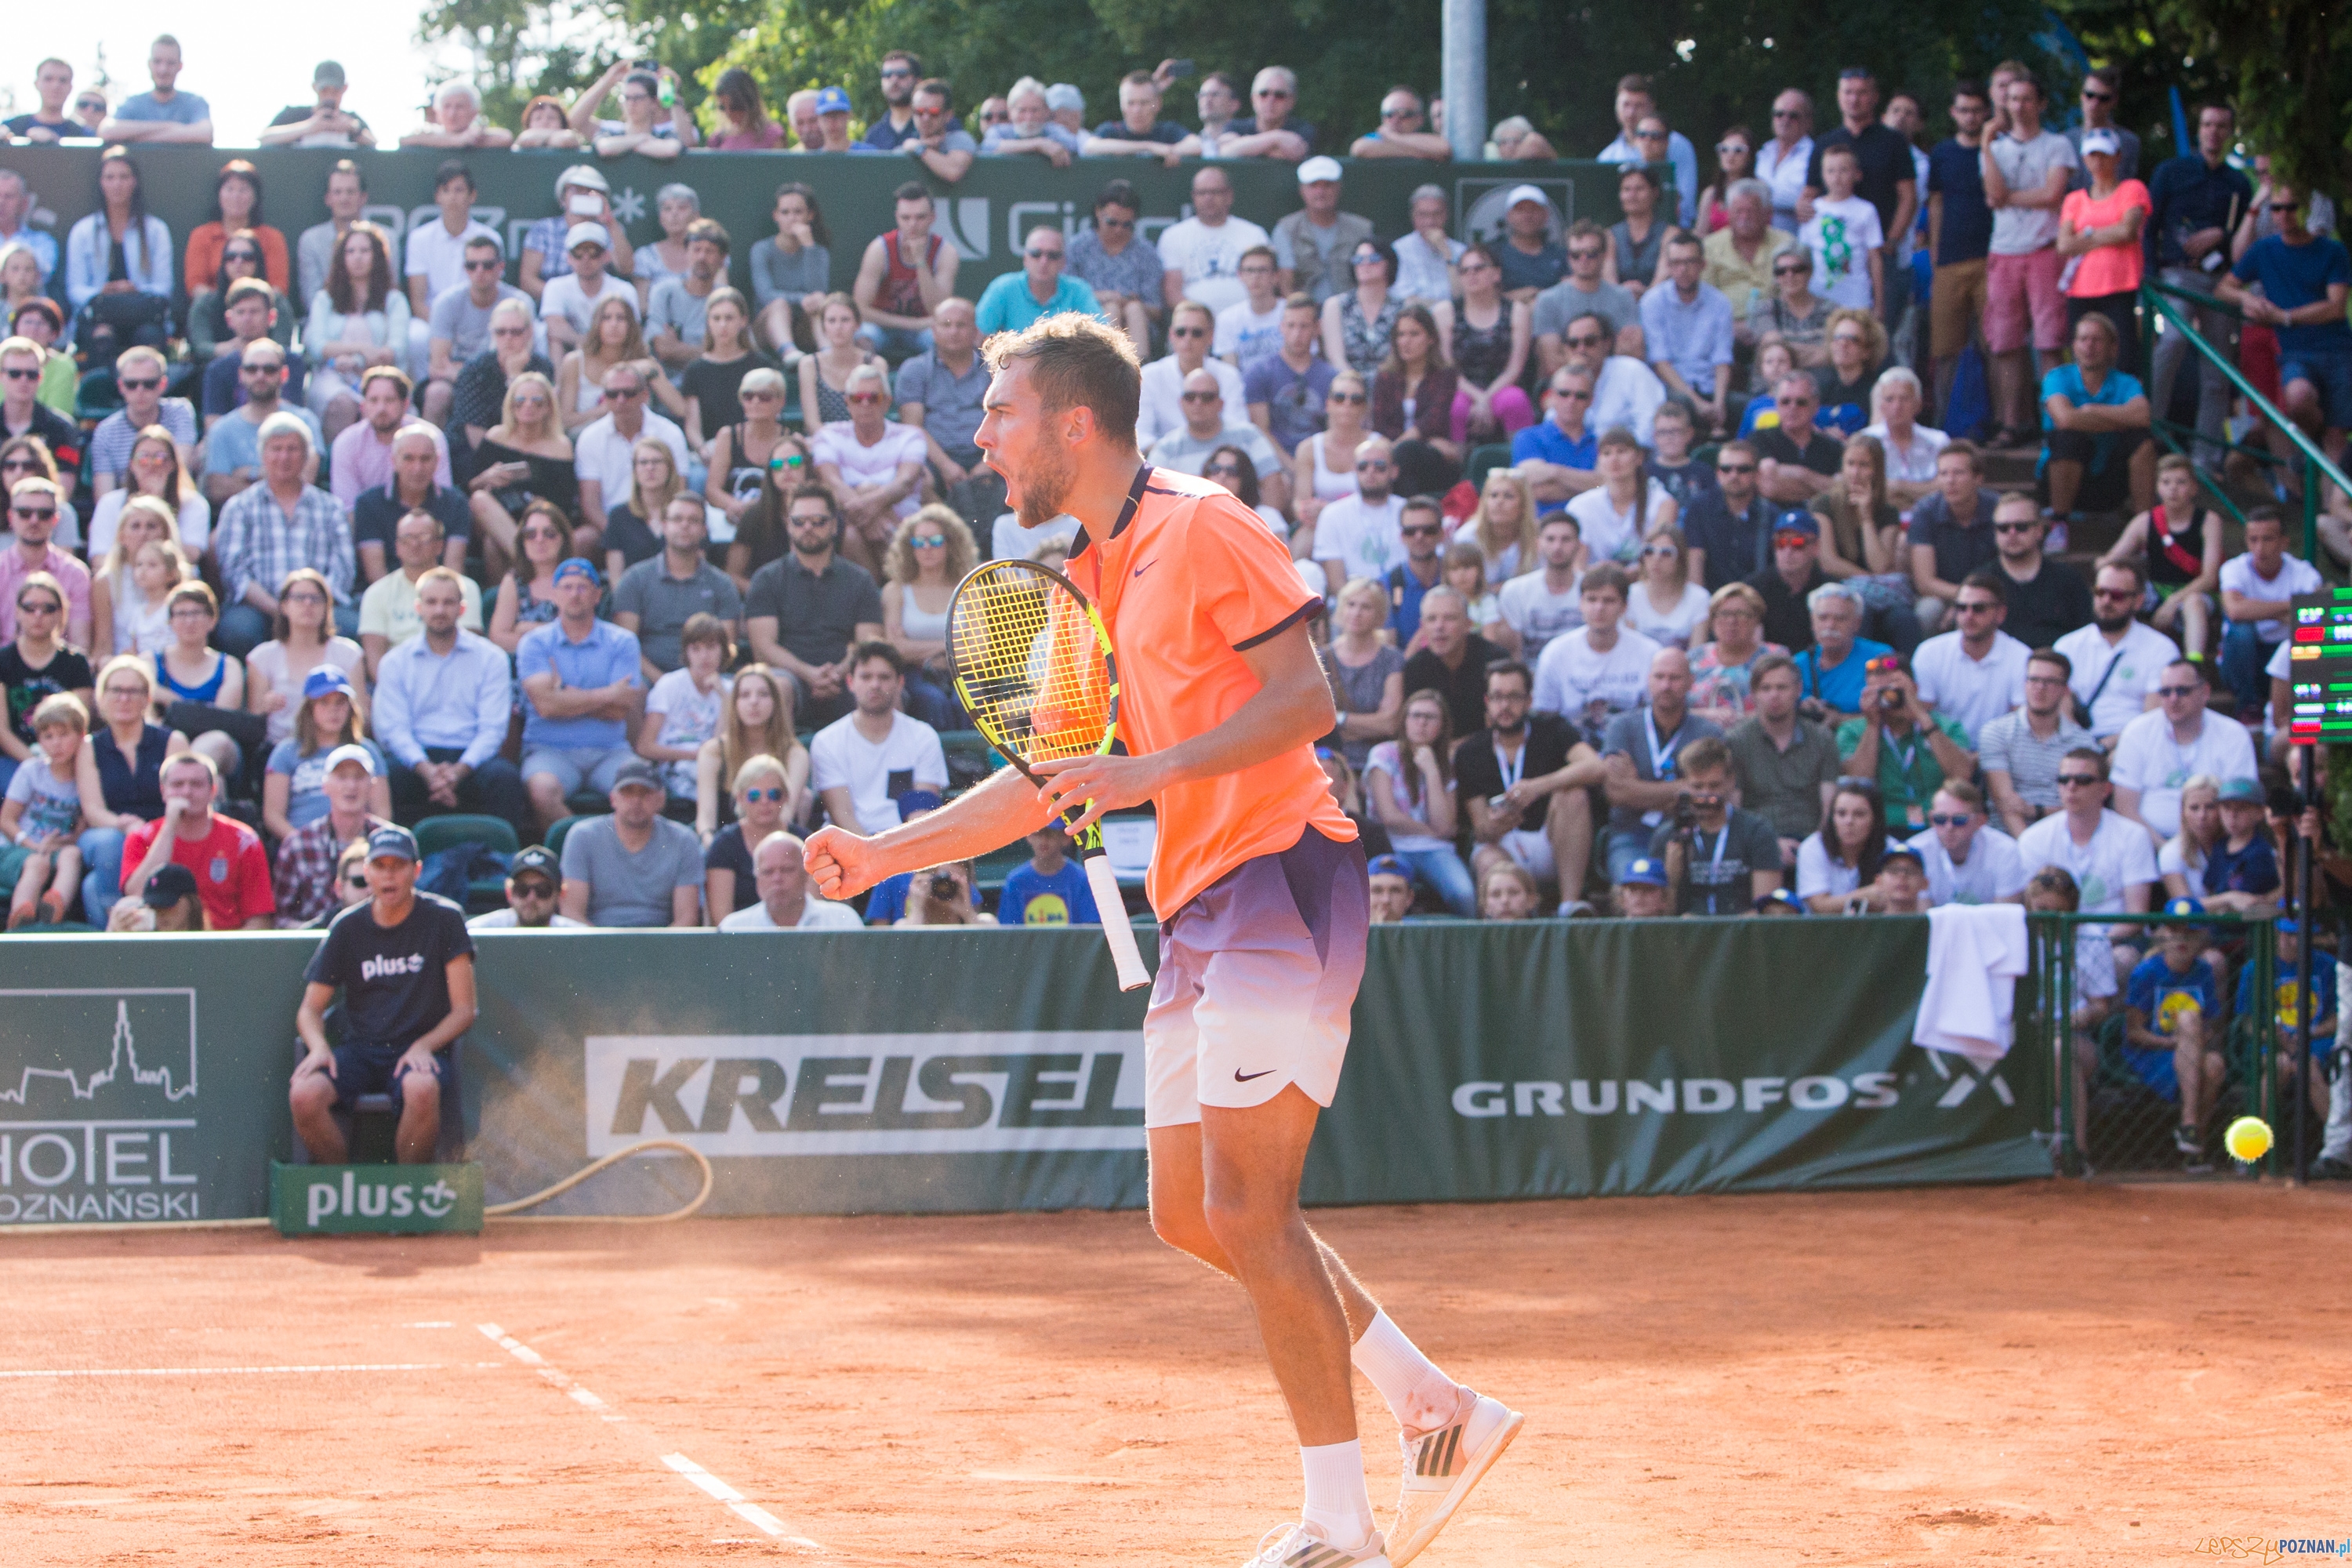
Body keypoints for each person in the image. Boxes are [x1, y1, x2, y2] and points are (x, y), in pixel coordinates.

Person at [808, 313, 1519, 1568]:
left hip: (1280, 876)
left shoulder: (1207, 524)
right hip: (1198, 900)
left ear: (1073, 426)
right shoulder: (1082, 578)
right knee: (1192, 1213)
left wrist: (1149, 772)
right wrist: (882, 855)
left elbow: (1310, 702)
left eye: (998, 412)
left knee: (1251, 1204)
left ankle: (1338, 1524)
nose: (978, 436)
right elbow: (1045, 780)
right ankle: (1434, 1405)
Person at [290, 822, 473, 1164]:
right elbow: (310, 1009)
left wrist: (424, 1046)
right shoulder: (346, 927)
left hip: (417, 1049)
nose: (388, 877)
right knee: (303, 1095)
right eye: (379, 866)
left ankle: (406, 1194)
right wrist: (317, 1048)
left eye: (398, 866)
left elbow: (464, 1010)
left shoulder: (445, 919)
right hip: (359, 1051)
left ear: (416, 871)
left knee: (421, 1088)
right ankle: (345, 1186)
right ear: (367, 872)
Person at [2220, 180, 2351, 517]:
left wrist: (2286, 316)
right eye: (2276, 209)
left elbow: (2337, 306)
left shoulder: (2332, 250)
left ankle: (2327, 518)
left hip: (2337, 350)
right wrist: (2248, 297)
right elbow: (2225, 287)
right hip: (2295, 354)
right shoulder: (2264, 250)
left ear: (2305, 210)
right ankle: (2309, 445)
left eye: (2291, 208)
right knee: (2296, 399)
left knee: (2336, 436)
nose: (2283, 215)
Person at [2146, 105, 2252, 470]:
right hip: (2178, 274)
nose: (2213, 132)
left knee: (2217, 371)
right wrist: (2151, 273)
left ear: (2229, 132)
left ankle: (2205, 459)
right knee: (2173, 341)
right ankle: (2151, 430)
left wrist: (2220, 234)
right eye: (2208, 124)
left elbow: (2243, 238)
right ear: (2198, 128)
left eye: (2221, 126)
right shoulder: (2170, 172)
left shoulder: (2238, 184)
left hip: (2222, 280)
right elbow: (2150, 224)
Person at [206, 414, 362, 659]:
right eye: (276, 449)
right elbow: (234, 572)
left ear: (306, 456)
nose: (284, 457)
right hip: (260, 607)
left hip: (319, 605)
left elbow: (343, 568)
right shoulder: (239, 507)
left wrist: (308, 605)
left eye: (293, 449)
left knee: (351, 628)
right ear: (262, 455)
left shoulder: (329, 507)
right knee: (237, 630)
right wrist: (277, 608)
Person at [1981, 71, 2078, 448]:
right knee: (2005, 342)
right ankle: (2012, 423)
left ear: (2041, 104)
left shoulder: (2056, 145)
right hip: (2003, 250)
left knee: (2050, 339)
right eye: (2013, 98)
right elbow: (1992, 195)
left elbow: (2054, 195)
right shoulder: (1996, 147)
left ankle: (2056, 421)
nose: (2019, 106)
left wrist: (2009, 197)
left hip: (2044, 249)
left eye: (2026, 99)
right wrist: (1987, 146)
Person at [744, 485, 884, 729]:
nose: (808, 528)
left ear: (834, 525)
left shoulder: (860, 580)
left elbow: (868, 644)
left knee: (883, 687)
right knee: (777, 686)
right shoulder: (766, 579)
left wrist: (838, 673)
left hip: (846, 677)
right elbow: (763, 647)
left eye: (818, 521)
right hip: (790, 678)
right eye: (799, 522)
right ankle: (781, 766)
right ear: (788, 526)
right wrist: (808, 674)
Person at [1800, 67, 1915, 326]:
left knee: (1877, 331)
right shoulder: (1825, 143)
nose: (1854, 99)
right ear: (1839, 97)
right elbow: (1809, 194)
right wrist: (1802, 207)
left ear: (1875, 97)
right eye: (1848, 92)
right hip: (1833, 259)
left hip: (1878, 249)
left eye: (1862, 93)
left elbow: (1908, 197)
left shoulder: (1893, 141)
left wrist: (1891, 242)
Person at [2108, 659, 2256, 843]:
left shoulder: (2234, 734)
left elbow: (2240, 803)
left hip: (2216, 845)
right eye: (2165, 692)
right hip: (2150, 847)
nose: (2173, 699)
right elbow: (2125, 807)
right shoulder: (2136, 732)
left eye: (2182, 691)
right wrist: (2164, 851)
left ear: (2205, 692)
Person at [2123, 915, 2228, 1171]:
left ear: (2201, 939)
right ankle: (2189, 1123)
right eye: (2175, 932)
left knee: (2214, 1063)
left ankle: (2193, 1147)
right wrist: (2177, 1043)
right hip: (2152, 1053)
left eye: (2190, 933)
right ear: (2163, 936)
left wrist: (2197, 1040)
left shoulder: (2203, 971)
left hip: (2189, 1052)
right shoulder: (2147, 971)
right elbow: (2133, 1032)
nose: (2182, 939)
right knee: (2189, 1018)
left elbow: (2212, 1026)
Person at [119, 751, 270, 928]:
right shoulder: (141, 838)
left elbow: (259, 918)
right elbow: (137, 895)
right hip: (163, 944)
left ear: (213, 791)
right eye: (178, 784)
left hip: (222, 946)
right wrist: (169, 828)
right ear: (163, 790)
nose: (187, 792)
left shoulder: (244, 841)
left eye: (196, 784)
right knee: (122, 910)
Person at [809, 641, 948, 833]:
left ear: (900, 683)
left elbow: (922, 814)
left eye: (884, 677)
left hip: (908, 845)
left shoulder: (924, 736)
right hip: (852, 847)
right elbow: (842, 815)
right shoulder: (826, 741)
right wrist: (872, 855)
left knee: (953, 864)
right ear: (850, 682)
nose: (875, 685)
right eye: (866, 677)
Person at [1363, 688, 1475, 917]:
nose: (1421, 723)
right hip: (1391, 845)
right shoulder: (1384, 754)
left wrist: (1432, 771)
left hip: (1434, 850)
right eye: (1415, 716)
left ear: (1442, 725)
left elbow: (1444, 823)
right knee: (1388, 903)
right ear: (1404, 721)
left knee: (1464, 894)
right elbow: (1389, 816)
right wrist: (1433, 832)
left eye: (1430, 717)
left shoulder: (1446, 762)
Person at [554, 757, 701, 928]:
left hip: (663, 945)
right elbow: (572, 913)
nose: (636, 801)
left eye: (645, 793)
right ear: (613, 798)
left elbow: (686, 919)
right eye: (628, 792)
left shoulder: (684, 840)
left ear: (661, 799)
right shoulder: (583, 836)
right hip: (597, 944)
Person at [1835, 652, 1973, 830]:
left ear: (1914, 689)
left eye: (1893, 692)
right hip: (1879, 829)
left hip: (1939, 825)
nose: (1887, 699)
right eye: (1879, 692)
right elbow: (1858, 785)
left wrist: (1921, 716)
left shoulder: (1945, 727)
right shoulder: (1853, 731)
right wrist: (1873, 726)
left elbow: (1963, 774)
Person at [2102, 454, 2223, 658]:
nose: (2173, 488)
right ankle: (2116, 652)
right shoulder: (2145, 521)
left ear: (2194, 488)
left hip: (2196, 591)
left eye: (2181, 482)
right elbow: (2112, 558)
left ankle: (2195, 661)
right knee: (2123, 593)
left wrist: (2173, 601)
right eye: (2166, 482)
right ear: (2158, 487)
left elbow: (2210, 577)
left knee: (2194, 602)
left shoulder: (2209, 521)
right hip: (2157, 588)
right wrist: (2104, 565)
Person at [2039, 313, 2154, 521]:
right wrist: (2118, 420)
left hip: (2108, 481)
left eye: (2097, 340)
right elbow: (2065, 419)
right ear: (2074, 346)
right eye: (2083, 339)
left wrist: (2092, 411)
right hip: (2057, 480)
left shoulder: (2126, 383)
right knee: (2069, 437)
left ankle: (2145, 529)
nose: (2089, 346)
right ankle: (2059, 524)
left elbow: (2143, 416)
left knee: (2142, 441)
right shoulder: (2057, 377)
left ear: (2113, 348)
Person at [612, 495, 742, 679]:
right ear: (664, 526)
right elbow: (626, 646)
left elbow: (727, 647)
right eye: (677, 519)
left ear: (705, 530)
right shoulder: (635, 579)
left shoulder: (722, 584)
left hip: (707, 677)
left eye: (693, 520)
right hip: (649, 678)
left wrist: (694, 684)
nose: (685, 525)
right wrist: (666, 684)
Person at [1926, 82, 1995, 424]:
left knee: (1994, 344)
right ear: (1954, 113)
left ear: (1986, 113)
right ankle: (1943, 421)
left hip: (1991, 257)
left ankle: (1994, 421)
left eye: (1976, 110)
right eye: (1963, 110)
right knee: (1945, 348)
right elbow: (1935, 202)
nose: (1970, 117)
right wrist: (1936, 249)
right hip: (1950, 260)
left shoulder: (1997, 149)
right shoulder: (1942, 153)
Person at [268, 737, 391, 927]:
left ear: (373, 787)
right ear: (325, 786)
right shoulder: (298, 845)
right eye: (341, 777)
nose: (351, 786)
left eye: (359, 777)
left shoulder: (390, 841)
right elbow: (280, 919)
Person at [2053, 561, 2180, 745]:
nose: (2106, 601)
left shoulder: (2161, 649)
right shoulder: (2067, 646)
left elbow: (2154, 718)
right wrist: (2085, 748)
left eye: (2117, 596)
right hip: (2076, 746)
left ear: (2138, 601)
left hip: (2136, 745)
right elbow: (2060, 708)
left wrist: (2109, 746)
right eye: (2100, 593)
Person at [306, 225, 411, 443]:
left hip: (381, 377)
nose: (358, 258)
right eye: (351, 251)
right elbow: (317, 346)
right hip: (332, 376)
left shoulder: (394, 300)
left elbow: (396, 348)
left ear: (378, 256)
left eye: (365, 251)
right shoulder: (324, 299)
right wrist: (361, 351)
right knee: (342, 404)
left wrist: (355, 361)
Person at [1655, 735, 1782, 915]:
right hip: (1687, 936)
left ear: (1731, 781)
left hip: (1741, 936)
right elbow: (1660, 916)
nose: (1706, 795)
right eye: (1697, 787)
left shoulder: (1757, 832)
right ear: (1684, 785)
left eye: (1714, 786)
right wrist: (1672, 880)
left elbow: (1766, 910)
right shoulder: (1668, 836)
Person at [2218, 506, 2324, 717]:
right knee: (2241, 632)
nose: (2259, 548)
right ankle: (2248, 706)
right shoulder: (2233, 568)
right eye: (2253, 540)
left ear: (2284, 542)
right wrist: (2287, 608)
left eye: (2268, 539)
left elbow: (2313, 616)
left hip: (2286, 658)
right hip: (2244, 659)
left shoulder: (2304, 573)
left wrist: (2254, 608)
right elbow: (2235, 610)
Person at [2057, 130, 2149, 368]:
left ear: (2118, 157)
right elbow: (2064, 244)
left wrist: (2086, 235)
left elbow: (2128, 231)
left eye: (2104, 155)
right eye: (2092, 155)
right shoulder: (2074, 199)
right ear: (2084, 159)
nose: (2098, 161)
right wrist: (2111, 232)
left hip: (2119, 286)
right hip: (2080, 290)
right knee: (2083, 362)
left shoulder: (2132, 189)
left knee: (2122, 358)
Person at [1979, 647, 2094, 835]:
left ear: (2065, 690)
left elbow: (2082, 806)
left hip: (2064, 836)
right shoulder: (1996, 732)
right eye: (2033, 680)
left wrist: (2035, 810)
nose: (2040, 688)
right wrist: (2028, 848)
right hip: (2006, 837)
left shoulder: (2083, 743)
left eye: (2050, 682)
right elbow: (2004, 802)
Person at [573, 363, 690, 548]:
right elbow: (590, 505)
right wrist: (621, 535)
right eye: (613, 394)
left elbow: (678, 492)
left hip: (662, 522)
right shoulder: (590, 438)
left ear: (644, 395)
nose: (621, 400)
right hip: (611, 525)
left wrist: (658, 530)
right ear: (604, 397)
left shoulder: (670, 433)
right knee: (580, 540)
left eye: (629, 393)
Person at [1, 691, 88, 926]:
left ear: (80, 735)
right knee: (37, 864)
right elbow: (7, 821)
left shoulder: (84, 779)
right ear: (39, 740)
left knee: (73, 855)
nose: (56, 743)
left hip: (55, 848)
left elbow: (79, 831)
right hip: (17, 848)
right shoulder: (32, 771)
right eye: (48, 736)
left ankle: (54, 908)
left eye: (63, 735)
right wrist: (34, 846)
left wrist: (59, 844)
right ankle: (21, 920)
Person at [0, 571, 92, 791]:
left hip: (65, 760)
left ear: (61, 613)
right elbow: (1, 730)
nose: (38, 614)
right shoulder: (3, 660)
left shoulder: (75, 662)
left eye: (48, 608)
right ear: (18, 612)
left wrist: (54, 762)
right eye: (30, 608)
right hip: (14, 758)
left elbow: (79, 725)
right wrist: (35, 763)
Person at [699, 741, 808, 915]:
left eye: (774, 794)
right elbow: (721, 918)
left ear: (786, 797)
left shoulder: (805, 842)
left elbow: (813, 908)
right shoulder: (724, 846)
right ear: (740, 798)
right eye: (754, 795)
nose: (764, 802)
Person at [851, 185, 956, 362]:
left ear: (933, 217)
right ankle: (870, 385)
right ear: (897, 218)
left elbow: (938, 310)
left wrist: (920, 262)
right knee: (863, 337)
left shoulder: (945, 252)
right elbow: (859, 309)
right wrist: (911, 324)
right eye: (905, 218)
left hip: (926, 329)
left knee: (945, 339)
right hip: (882, 326)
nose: (912, 224)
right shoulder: (880, 249)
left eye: (920, 217)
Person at [1906, 444, 1999, 631]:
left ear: (1978, 478)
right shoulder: (1926, 512)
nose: (1950, 481)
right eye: (1943, 474)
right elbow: (1925, 582)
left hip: (1991, 595)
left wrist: (1973, 603)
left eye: (1958, 473)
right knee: (1927, 612)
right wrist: (1964, 600)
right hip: (1941, 595)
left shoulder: (1998, 510)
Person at [1065, 182, 1166, 354]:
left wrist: (1130, 302)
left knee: (1134, 310)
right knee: (1111, 310)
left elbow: (1156, 310)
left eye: (1126, 225)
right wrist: (1107, 297)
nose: (1119, 230)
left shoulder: (1145, 252)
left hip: (1138, 326)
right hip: (1088, 325)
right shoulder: (1078, 247)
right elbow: (1066, 296)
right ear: (1098, 213)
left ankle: (1140, 370)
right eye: (1112, 222)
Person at [1595, 74, 1700, 227]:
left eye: (1638, 106)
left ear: (1652, 106)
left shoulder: (1677, 145)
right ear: (1616, 107)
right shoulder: (1607, 157)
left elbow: (1686, 205)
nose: (1631, 113)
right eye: (1626, 105)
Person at [1323, 579, 1404, 774]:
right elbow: (1315, 721)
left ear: (1380, 616)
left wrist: (1339, 719)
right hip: (1331, 762)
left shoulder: (1391, 659)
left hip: (1380, 763)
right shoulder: (1321, 658)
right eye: (1351, 604)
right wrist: (1369, 724)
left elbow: (1389, 723)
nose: (1356, 613)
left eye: (1366, 607)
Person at [1534, 225, 1639, 373]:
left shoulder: (1623, 297)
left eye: (1591, 253)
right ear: (1569, 258)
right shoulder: (1548, 300)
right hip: (1566, 386)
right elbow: (1552, 361)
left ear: (1603, 256)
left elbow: (1634, 353)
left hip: (1614, 379)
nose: (1583, 260)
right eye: (1576, 254)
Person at [1398, 586, 1501, 739]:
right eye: (1431, 619)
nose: (1439, 626)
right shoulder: (1415, 668)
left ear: (1468, 625)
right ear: (1422, 626)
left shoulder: (1494, 661)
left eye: (1450, 618)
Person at [973, 225, 1107, 342]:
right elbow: (978, 338)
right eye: (1036, 254)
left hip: (1064, 368)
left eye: (1053, 256)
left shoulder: (1078, 289)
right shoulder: (1003, 287)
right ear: (1025, 259)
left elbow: (1102, 334)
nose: (1044, 262)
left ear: (1063, 262)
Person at [1566, 427, 1675, 570]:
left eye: (1622, 451)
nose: (1614, 459)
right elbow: (1577, 567)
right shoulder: (1580, 506)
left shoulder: (1662, 502)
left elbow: (1658, 556)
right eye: (1607, 453)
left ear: (1639, 457)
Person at [1905, 779, 2025, 906]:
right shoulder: (1916, 850)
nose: (1949, 827)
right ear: (1931, 819)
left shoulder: (2005, 851)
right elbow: (1922, 919)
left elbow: (2005, 917)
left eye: (1959, 820)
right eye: (1940, 819)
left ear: (1980, 821)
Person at [0, 481, 89, 650]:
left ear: (55, 519)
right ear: (11, 517)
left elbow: (80, 644)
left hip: (59, 671)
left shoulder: (75, 573)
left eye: (44, 514)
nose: (34, 520)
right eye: (25, 513)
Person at [1798, 144, 1886, 315]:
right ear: (1822, 175)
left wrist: (1879, 303)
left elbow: (1875, 258)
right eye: (1830, 171)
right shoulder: (1811, 210)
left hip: (1856, 297)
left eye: (1843, 170)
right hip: (1819, 295)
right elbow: (1803, 256)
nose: (1837, 177)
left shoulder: (1866, 210)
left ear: (1857, 175)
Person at [718, 829, 862, 931]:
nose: (777, 879)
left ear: (806, 873)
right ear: (756, 877)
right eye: (768, 872)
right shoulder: (734, 928)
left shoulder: (843, 921)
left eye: (787, 869)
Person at [1686, 583, 1785, 728]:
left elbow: (1786, 705)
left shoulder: (1775, 657)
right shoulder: (1694, 658)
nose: (1732, 621)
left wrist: (1741, 721)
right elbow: (1675, 708)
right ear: (1712, 620)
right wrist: (1706, 715)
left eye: (1741, 614)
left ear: (1756, 620)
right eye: (1724, 614)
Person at [1788, 579, 1889, 720]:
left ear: (1857, 623)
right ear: (1812, 622)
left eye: (1840, 619)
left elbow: (1894, 714)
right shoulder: (1796, 665)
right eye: (1823, 618)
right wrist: (1797, 709)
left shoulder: (1882, 658)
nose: (1830, 625)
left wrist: (1841, 719)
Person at [749, 183, 829, 357]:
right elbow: (765, 294)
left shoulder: (819, 252)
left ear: (810, 215)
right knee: (779, 304)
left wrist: (809, 247)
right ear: (775, 216)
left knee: (819, 303)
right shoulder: (761, 250)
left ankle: (827, 352)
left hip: (805, 328)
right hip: (768, 328)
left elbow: (818, 292)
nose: (791, 218)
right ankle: (790, 354)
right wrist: (801, 299)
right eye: (785, 212)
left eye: (798, 212)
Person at [96, 36, 212, 146]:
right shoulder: (134, 103)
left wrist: (135, 137)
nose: (163, 70)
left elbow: (205, 133)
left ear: (180, 66)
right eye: (157, 62)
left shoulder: (194, 103)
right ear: (149, 64)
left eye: (170, 63)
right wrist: (171, 128)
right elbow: (106, 130)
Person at [1752, 374, 1843, 506]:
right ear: (1776, 404)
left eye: (1801, 402)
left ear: (1815, 406)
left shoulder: (1833, 447)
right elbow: (1770, 487)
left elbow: (1841, 491)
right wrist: (1820, 484)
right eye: (1785, 401)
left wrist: (1801, 475)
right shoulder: (1759, 439)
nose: (1792, 407)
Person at [1622, 525, 1711, 651]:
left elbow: (1696, 653)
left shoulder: (1699, 598)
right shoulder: (1631, 594)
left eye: (1667, 553)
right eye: (1649, 551)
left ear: (1680, 559)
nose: (1656, 559)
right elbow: (1628, 649)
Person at [464, 844, 581, 931]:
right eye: (522, 890)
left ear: (561, 895)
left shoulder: (579, 938)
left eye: (543, 890)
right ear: (509, 892)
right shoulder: (478, 932)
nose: (531, 898)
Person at [262, 60, 374, 149]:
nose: (330, 96)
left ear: (345, 88)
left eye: (335, 91)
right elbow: (265, 138)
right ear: (315, 87)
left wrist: (351, 128)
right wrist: (309, 127)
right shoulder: (295, 115)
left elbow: (373, 143)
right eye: (324, 90)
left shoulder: (352, 119)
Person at [1083, 70, 1188, 165]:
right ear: (1121, 105)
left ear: (1157, 104)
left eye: (1144, 103)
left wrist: (1169, 152)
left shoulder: (1168, 130)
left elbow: (1195, 145)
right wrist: (1149, 147)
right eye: (1130, 103)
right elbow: (1090, 147)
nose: (1137, 110)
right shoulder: (1111, 130)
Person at [982, 77, 1086, 165]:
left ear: (1046, 111)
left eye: (1035, 110)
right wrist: (1039, 145)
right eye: (1022, 110)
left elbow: (1073, 144)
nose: (1029, 118)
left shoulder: (1052, 130)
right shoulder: (999, 131)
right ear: (1010, 112)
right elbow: (988, 145)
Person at [4, 59, 78, 147]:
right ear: (37, 84)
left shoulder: (83, 135)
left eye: (63, 80)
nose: (55, 86)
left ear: (70, 87)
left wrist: (55, 142)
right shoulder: (12, 127)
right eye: (48, 79)